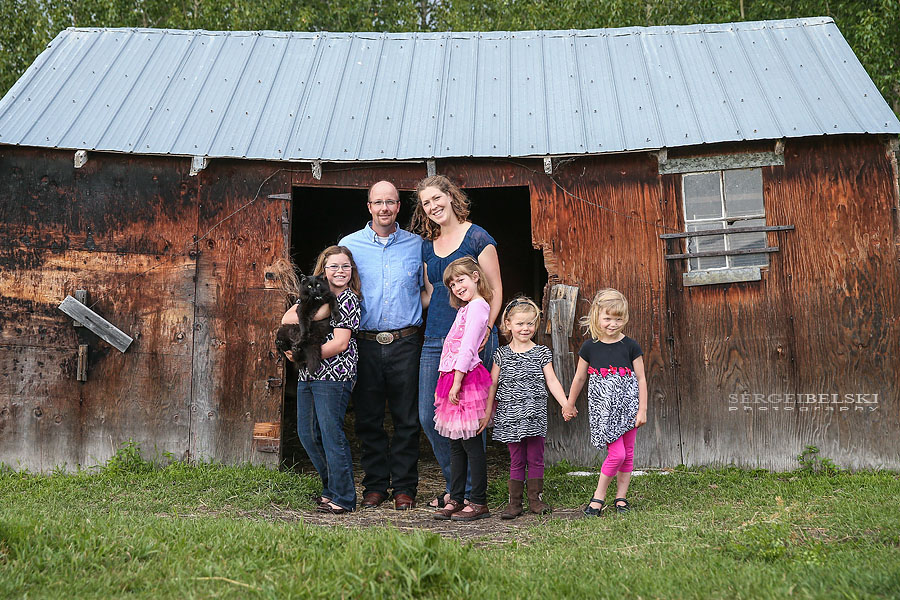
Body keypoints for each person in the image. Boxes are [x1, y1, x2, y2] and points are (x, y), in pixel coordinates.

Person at [411, 175, 503, 509]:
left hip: (473, 339)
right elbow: (431, 294)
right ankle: (457, 487)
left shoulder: (478, 237)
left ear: (450, 196)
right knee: (429, 415)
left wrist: (486, 331)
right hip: (436, 337)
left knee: (470, 417)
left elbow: (495, 289)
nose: (433, 206)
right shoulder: (427, 245)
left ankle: (471, 495)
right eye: (426, 203)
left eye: (437, 198)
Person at [338, 181, 423, 511]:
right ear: (369, 206)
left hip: (406, 342)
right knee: (368, 418)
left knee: (407, 419)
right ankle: (375, 486)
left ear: (399, 206)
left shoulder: (417, 245)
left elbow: (428, 290)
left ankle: (404, 487)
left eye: (390, 202)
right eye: (378, 202)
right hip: (365, 343)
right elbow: (335, 289)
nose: (384, 208)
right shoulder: (349, 246)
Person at [280, 246, 361, 514]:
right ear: (324, 271)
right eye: (334, 266)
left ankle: (344, 497)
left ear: (352, 270)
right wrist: (318, 311)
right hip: (309, 373)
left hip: (334, 374)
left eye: (345, 266)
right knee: (307, 433)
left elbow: (340, 343)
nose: (340, 271)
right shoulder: (313, 295)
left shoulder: (348, 299)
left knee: (330, 433)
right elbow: (287, 318)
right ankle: (330, 489)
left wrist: (302, 356)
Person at [481, 296, 577, 519]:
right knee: (517, 459)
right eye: (520, 323)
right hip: (511, 416)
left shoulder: (541, 352)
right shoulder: (501, 354)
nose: (525, 328)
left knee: (535, 457)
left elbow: (551, 380)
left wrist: (565, 404)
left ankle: (536, 500)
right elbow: (493, 384)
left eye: (530, 324)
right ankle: (514, 503)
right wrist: (487, 412)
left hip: (534, 415)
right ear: (508, 324)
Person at [566, 288, 648, 517]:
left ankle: (621, 497)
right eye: (608, 318)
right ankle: (598, 496)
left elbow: (641, 378)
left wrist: (642, 409)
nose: (613, 324)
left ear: (625, 318)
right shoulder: (590, 347)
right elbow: (579, 378)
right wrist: (570, 403)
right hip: (604, 411)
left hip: (629, 408)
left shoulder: (631, 346)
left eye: (618, 319)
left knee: (627, 454)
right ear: (597, 316)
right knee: (617, 454)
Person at [431, 257, 494, 521]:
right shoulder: (466, 308)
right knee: (456, 443)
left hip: (465, 378)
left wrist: (457, 381)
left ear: (476, 276)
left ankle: (478, 501)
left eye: (461, 280)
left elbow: (468, 347)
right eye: (452, 284)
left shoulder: (479, 306)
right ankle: (456, 497)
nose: (457, 287)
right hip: (452, 376)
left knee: (471, 443)